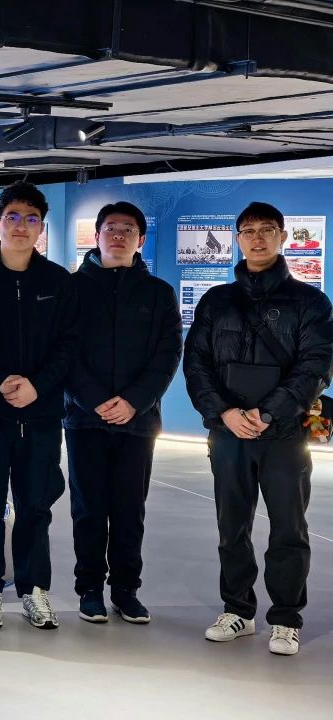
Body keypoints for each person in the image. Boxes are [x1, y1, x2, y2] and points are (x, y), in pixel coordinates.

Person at [185, 201, 333, 656]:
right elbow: (197, 365)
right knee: (232, 526)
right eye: (248, 231)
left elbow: (316, 367)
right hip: (228, 433)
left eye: (267, 230)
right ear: (237, 238)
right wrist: (224, 414)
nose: (258, 238)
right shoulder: (216, 301)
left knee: (289, 527)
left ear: (283, 237)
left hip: (284, 435)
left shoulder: (310, 302)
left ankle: (286, 618)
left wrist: (268, 413)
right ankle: (238, 609)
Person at [0, 181, 78, 630]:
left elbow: (69, 345)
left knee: (36, 505)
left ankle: (33, 590)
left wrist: (38, 386)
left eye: (31, 219)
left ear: (41, 227)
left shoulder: (58, 281)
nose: (21, 226)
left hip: (42, 414)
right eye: (12, 217)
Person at [65, 202, 181, 625]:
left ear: (141, 239)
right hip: (84, 418)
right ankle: (89, 589)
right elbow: (64, 351)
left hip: (138, 421)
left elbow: (167, 354)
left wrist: (134, 400)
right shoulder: (72, 289)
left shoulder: (159, 293)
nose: (118, 235)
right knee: (88, 508)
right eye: (110, 228)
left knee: (130, 510)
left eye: (127, 229)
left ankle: (126, 590)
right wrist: (93, 399)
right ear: (96, 235)